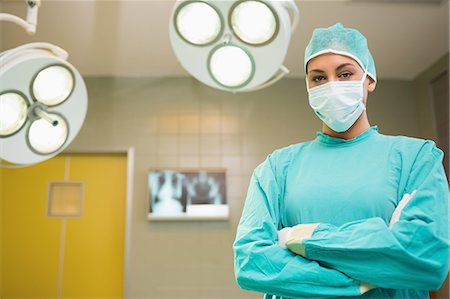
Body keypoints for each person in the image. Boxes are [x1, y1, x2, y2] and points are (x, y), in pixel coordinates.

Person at [233, 23, 449, 299]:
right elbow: (251, 264)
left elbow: (425, 259)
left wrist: (299, 238)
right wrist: (359, 280)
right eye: (319, 78)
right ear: (308, 87)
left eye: (345, 73)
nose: (332, 85)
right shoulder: (277, 168)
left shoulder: (416, 157)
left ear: (369, 79)